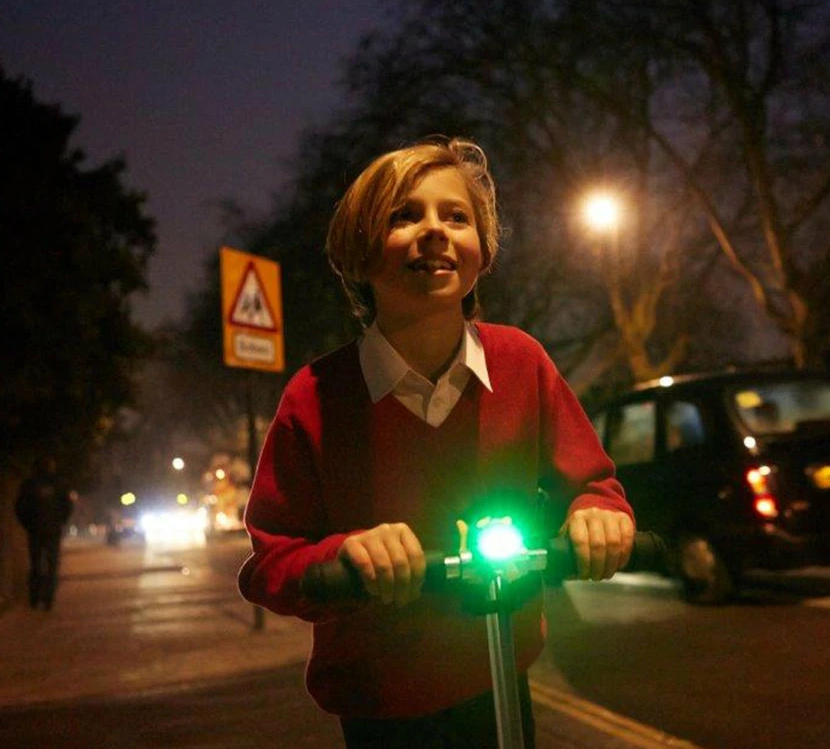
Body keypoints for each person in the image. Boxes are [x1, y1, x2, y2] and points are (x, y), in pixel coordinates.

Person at [237, 137, 636, 749]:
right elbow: (270, 561)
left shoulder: (521, 362)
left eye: (456, 217)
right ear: (360, 250)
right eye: (404, 216)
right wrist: (346, 555)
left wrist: (597, 514)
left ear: (482, 249)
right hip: (380, 704)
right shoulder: (315, 397)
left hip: (500, 673)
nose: (434, 231)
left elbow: (593, 484)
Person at [15, 456, 74, 611]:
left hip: (35, 531)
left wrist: (28, 525)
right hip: (52, 531)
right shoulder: (58, 484)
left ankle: (35, 598)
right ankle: (48, 598)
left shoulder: (30, 484)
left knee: (36, 564)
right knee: (51, 565)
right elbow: (67, 507)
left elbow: (20, 508)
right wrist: (60, 522)